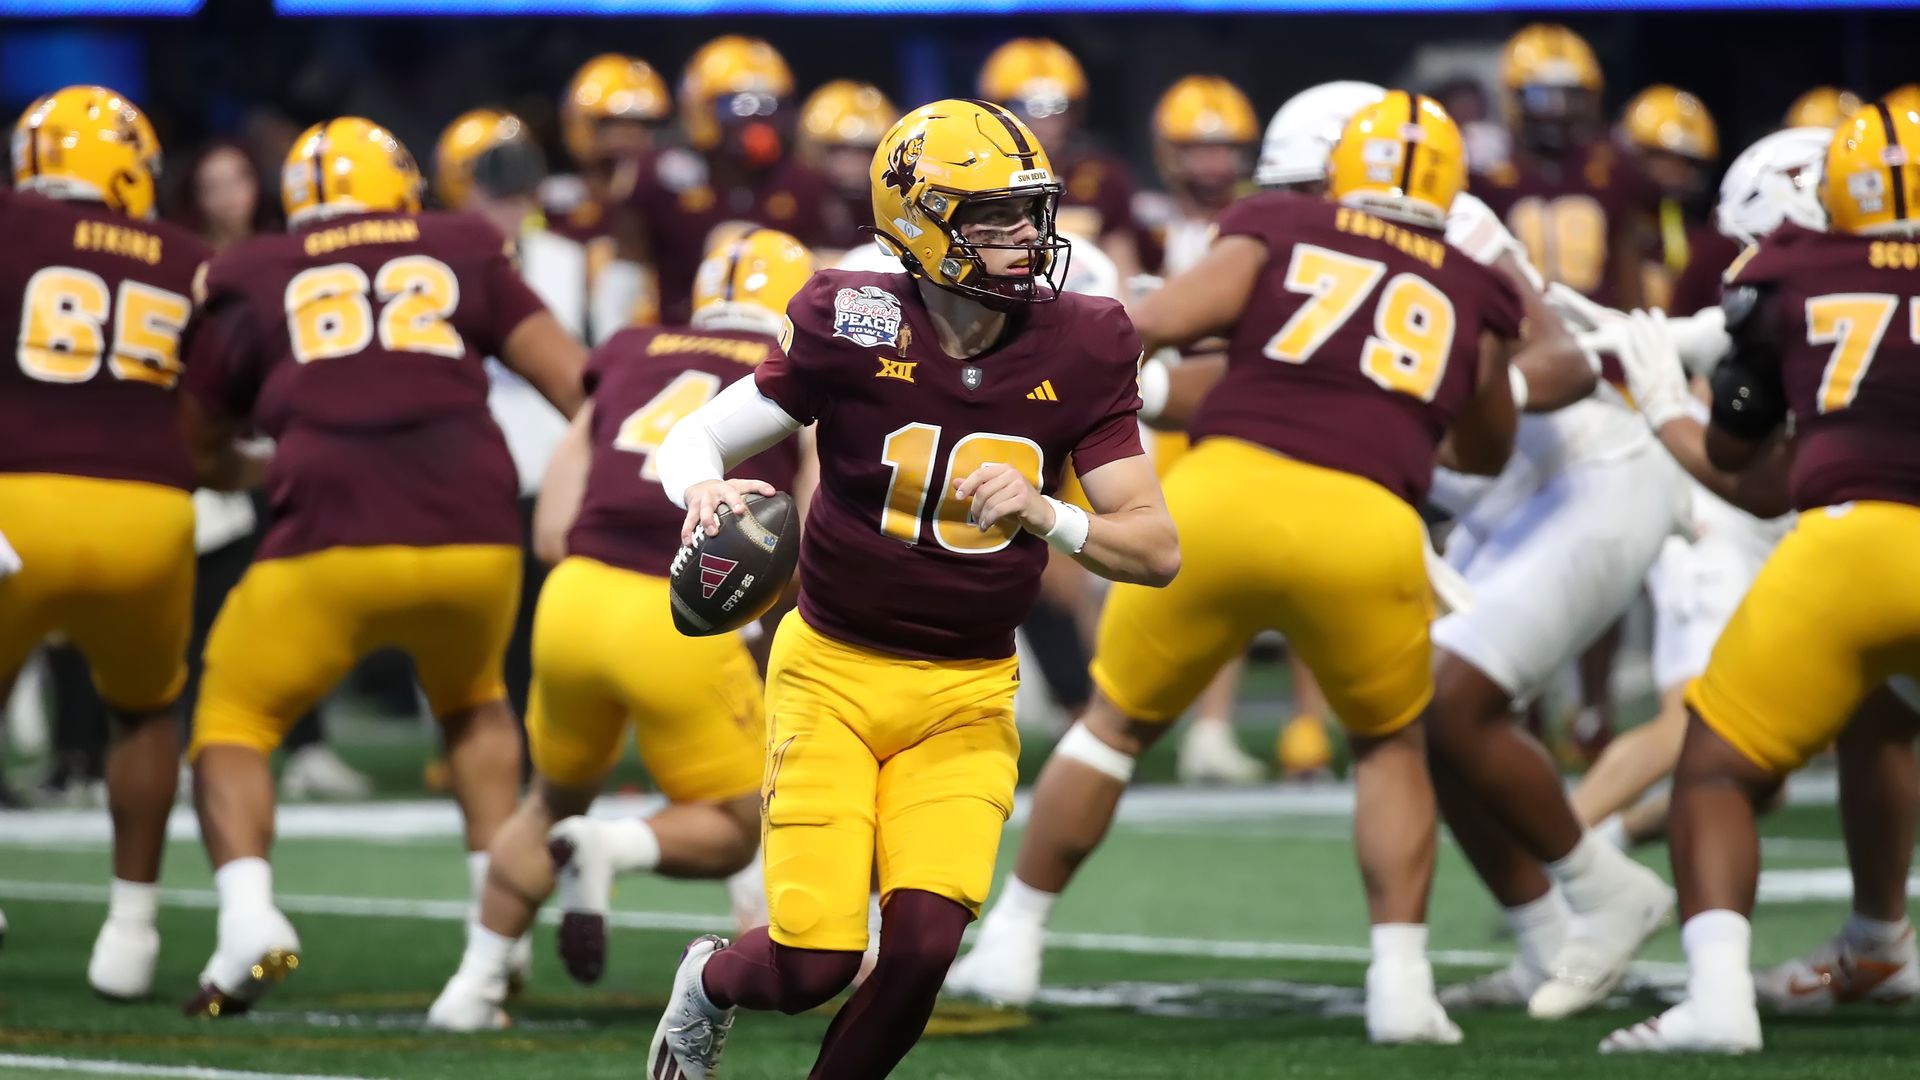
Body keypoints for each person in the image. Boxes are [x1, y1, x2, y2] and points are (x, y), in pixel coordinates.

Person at [962, 91, 1550, 1045]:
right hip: (1370, 521)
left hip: (1228, 496)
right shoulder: (1474, 282)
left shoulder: (1282, 220)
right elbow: (1484, 449)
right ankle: (1402, 984)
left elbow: (1143, 325)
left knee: (1115, 726)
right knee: (1391, 748)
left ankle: (1014, 938)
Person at [642, 98, 1178, 1080]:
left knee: (925, 948)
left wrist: (1046, 514)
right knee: (813, 962)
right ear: (919, 219)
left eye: (1029, 212)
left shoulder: (1087, 338)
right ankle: (711, 981)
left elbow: (1156, 549)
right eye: (989, 216)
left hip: (968, 690)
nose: (1022, 237)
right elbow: (695, 435)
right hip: (833, 673)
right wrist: (704, 487)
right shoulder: (851, 315)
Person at [178, 117, 587, 1017]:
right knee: (476, 703)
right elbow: (578, 389)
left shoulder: (253, 267)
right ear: (402, 186)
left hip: (328, 530)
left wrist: (260, 462)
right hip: (472, 530)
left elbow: (199, 442)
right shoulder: (463, 241)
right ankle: (497, 933)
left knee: (234, 718)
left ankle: (248, 916)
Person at [429, 228, 816, 1030]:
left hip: (573, 597)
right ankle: (612, 847)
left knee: (543, 805)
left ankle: (471, 987)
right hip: (676, 608)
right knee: (734, 830)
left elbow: (552, 526)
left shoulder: (631, 347)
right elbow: (811, 521)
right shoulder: (798, 370)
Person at [1598, 102, 1920, 1054]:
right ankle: (1877, 942)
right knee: (1882, 718)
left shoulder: (1798, 268)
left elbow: (1742, 456)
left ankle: (1718, 1003)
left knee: (1715, 775)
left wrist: (1665, 403)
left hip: (1849, 548)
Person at [0, 85, 211, 1001]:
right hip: (149, 512)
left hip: (17, 501)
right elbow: (219, 411)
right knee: (142, 712)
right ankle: (131, 930)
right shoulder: (192, 258)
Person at [619, 35, 832, 326]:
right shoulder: (658, 176)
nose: (756, 119)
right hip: (675, 329)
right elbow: (630, 263)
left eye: (769, 105)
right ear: (699, 106)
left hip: (778, 334)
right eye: (738, 104)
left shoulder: (803, 182)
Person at [978, 37, 1144, 279]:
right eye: (1028, 107)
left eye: (1058, 106)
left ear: (1075, 111)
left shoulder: (1104, 175)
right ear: (998, 111)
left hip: (1088, 301)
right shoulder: (974, 175)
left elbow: (1125, 270)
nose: (1045, 123)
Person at [544, 54, 667, 344]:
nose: (630, 137)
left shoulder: (672, 198)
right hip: (569, 333)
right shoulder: (552, 201)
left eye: (641, 126)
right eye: (614, 125)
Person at [1617, 86, 1728, 313]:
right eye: (1660, 157)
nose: (1676, 173)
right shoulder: (1610, 222)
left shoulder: (1709, 248)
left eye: (1688, 164)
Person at [797, 80, 898, 257]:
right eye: (840, 150)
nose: (853, 163)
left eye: (865, 151)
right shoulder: (793, 201)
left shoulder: (896, 207)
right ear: (815, 150)